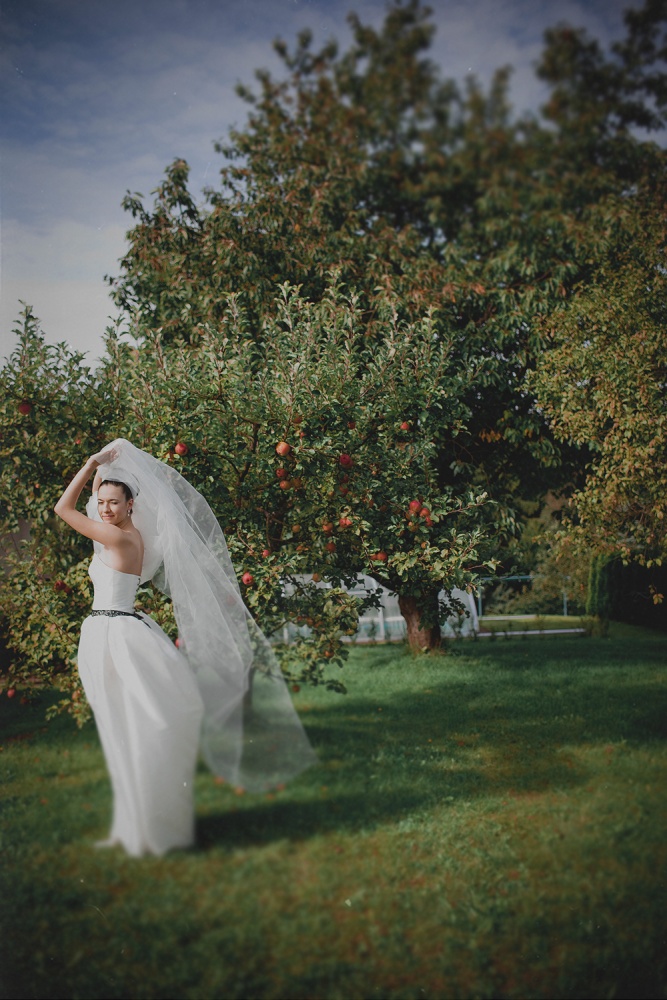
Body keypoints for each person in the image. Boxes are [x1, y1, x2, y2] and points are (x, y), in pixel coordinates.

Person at [54, 439, 316, 857]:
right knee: (122, 727)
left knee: (130, 727)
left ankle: (149, 826)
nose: (104, 509)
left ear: (131, 505)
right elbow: (93, 502)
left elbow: (63, 509)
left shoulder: (118, 538)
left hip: (113, 634)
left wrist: (89, 463)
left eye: (113, 503)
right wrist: (105, 471)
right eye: (101, 503)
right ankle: (137, 823)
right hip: (114, 628)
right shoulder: (129, 533)